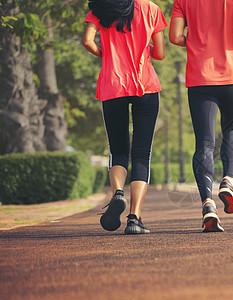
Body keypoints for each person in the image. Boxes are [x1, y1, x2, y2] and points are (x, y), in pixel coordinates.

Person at [169, 0, 233, 232]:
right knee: (232, 130)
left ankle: (207, 204)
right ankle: (228, 180)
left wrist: (198, 42)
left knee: (204, 142)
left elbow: (175, 36)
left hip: (200, 76)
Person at [82, 0, 167, 234]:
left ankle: (118, 192)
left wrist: (106, 55)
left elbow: (87, 41)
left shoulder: (100, 8)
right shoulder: (152, 9)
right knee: (142, 154)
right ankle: (134, 219)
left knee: (118, 150)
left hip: (112, 86)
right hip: (145, 86)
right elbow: (159, 53)